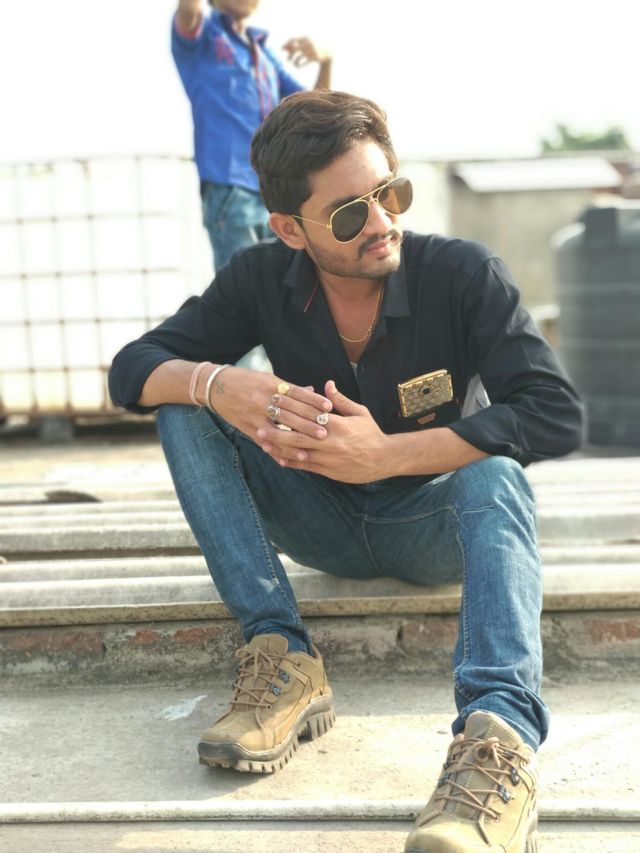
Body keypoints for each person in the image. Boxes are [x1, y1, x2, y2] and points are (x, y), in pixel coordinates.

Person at [109, 90, 584, 852]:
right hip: (318, 519)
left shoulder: (461, 274)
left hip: (433, 524)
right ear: (289, 230)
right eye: (349, 213)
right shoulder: (260, 279)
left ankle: (496, 748)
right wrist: (217, 382)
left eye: (390, 192)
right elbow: (132, 368)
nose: (382, 222)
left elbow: (554, 412)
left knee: (496, 476)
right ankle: (283, 656)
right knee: (184, 406)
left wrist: (388, 453)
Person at [172, 0, 331, 271]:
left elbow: (313, 108)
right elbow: (188, 11)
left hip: (274, 191)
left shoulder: (263, 54)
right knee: (243, 288)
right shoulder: (204, 36)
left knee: (285, 285)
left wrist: (325, 60)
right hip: (230, 188)